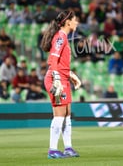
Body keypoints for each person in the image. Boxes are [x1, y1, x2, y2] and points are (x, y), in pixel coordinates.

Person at [40, 10, 81, 159]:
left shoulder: (63, 37)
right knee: (59, 115)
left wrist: (71, 75)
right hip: (55, 79)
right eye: (75, 20)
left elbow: (62, 64)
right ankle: (52, 149)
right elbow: (52, 60)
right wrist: (57, 79)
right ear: (67, 22)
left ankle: (68, 147)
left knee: (67, 114)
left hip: (62, 78)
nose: (77, 22)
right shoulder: (60, 38)